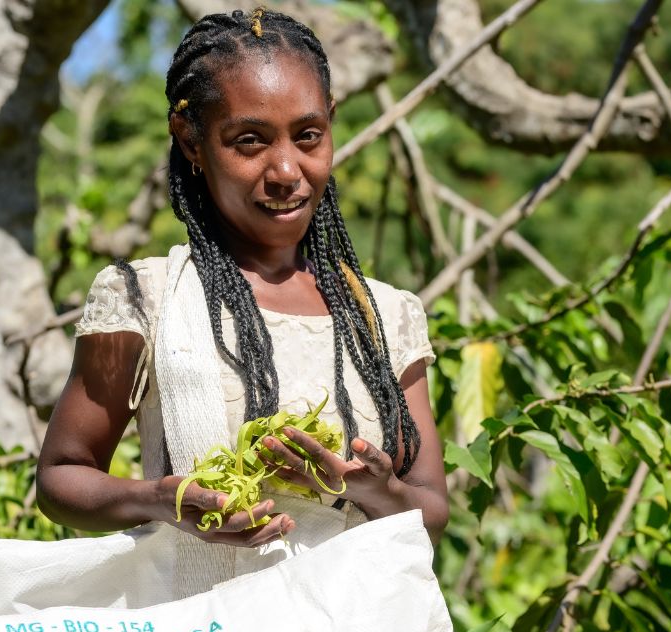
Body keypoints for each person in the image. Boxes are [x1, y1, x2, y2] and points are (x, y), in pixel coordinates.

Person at [36, 8, 449, 593]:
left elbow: (431, 514)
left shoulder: (384, 315)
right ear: (192, 143)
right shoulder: (146, 298)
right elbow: (61, 478)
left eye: (308, 135)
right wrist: (164, 499)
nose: (286, 170)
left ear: (331, 124)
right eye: (248, 141)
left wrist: (375, 488)